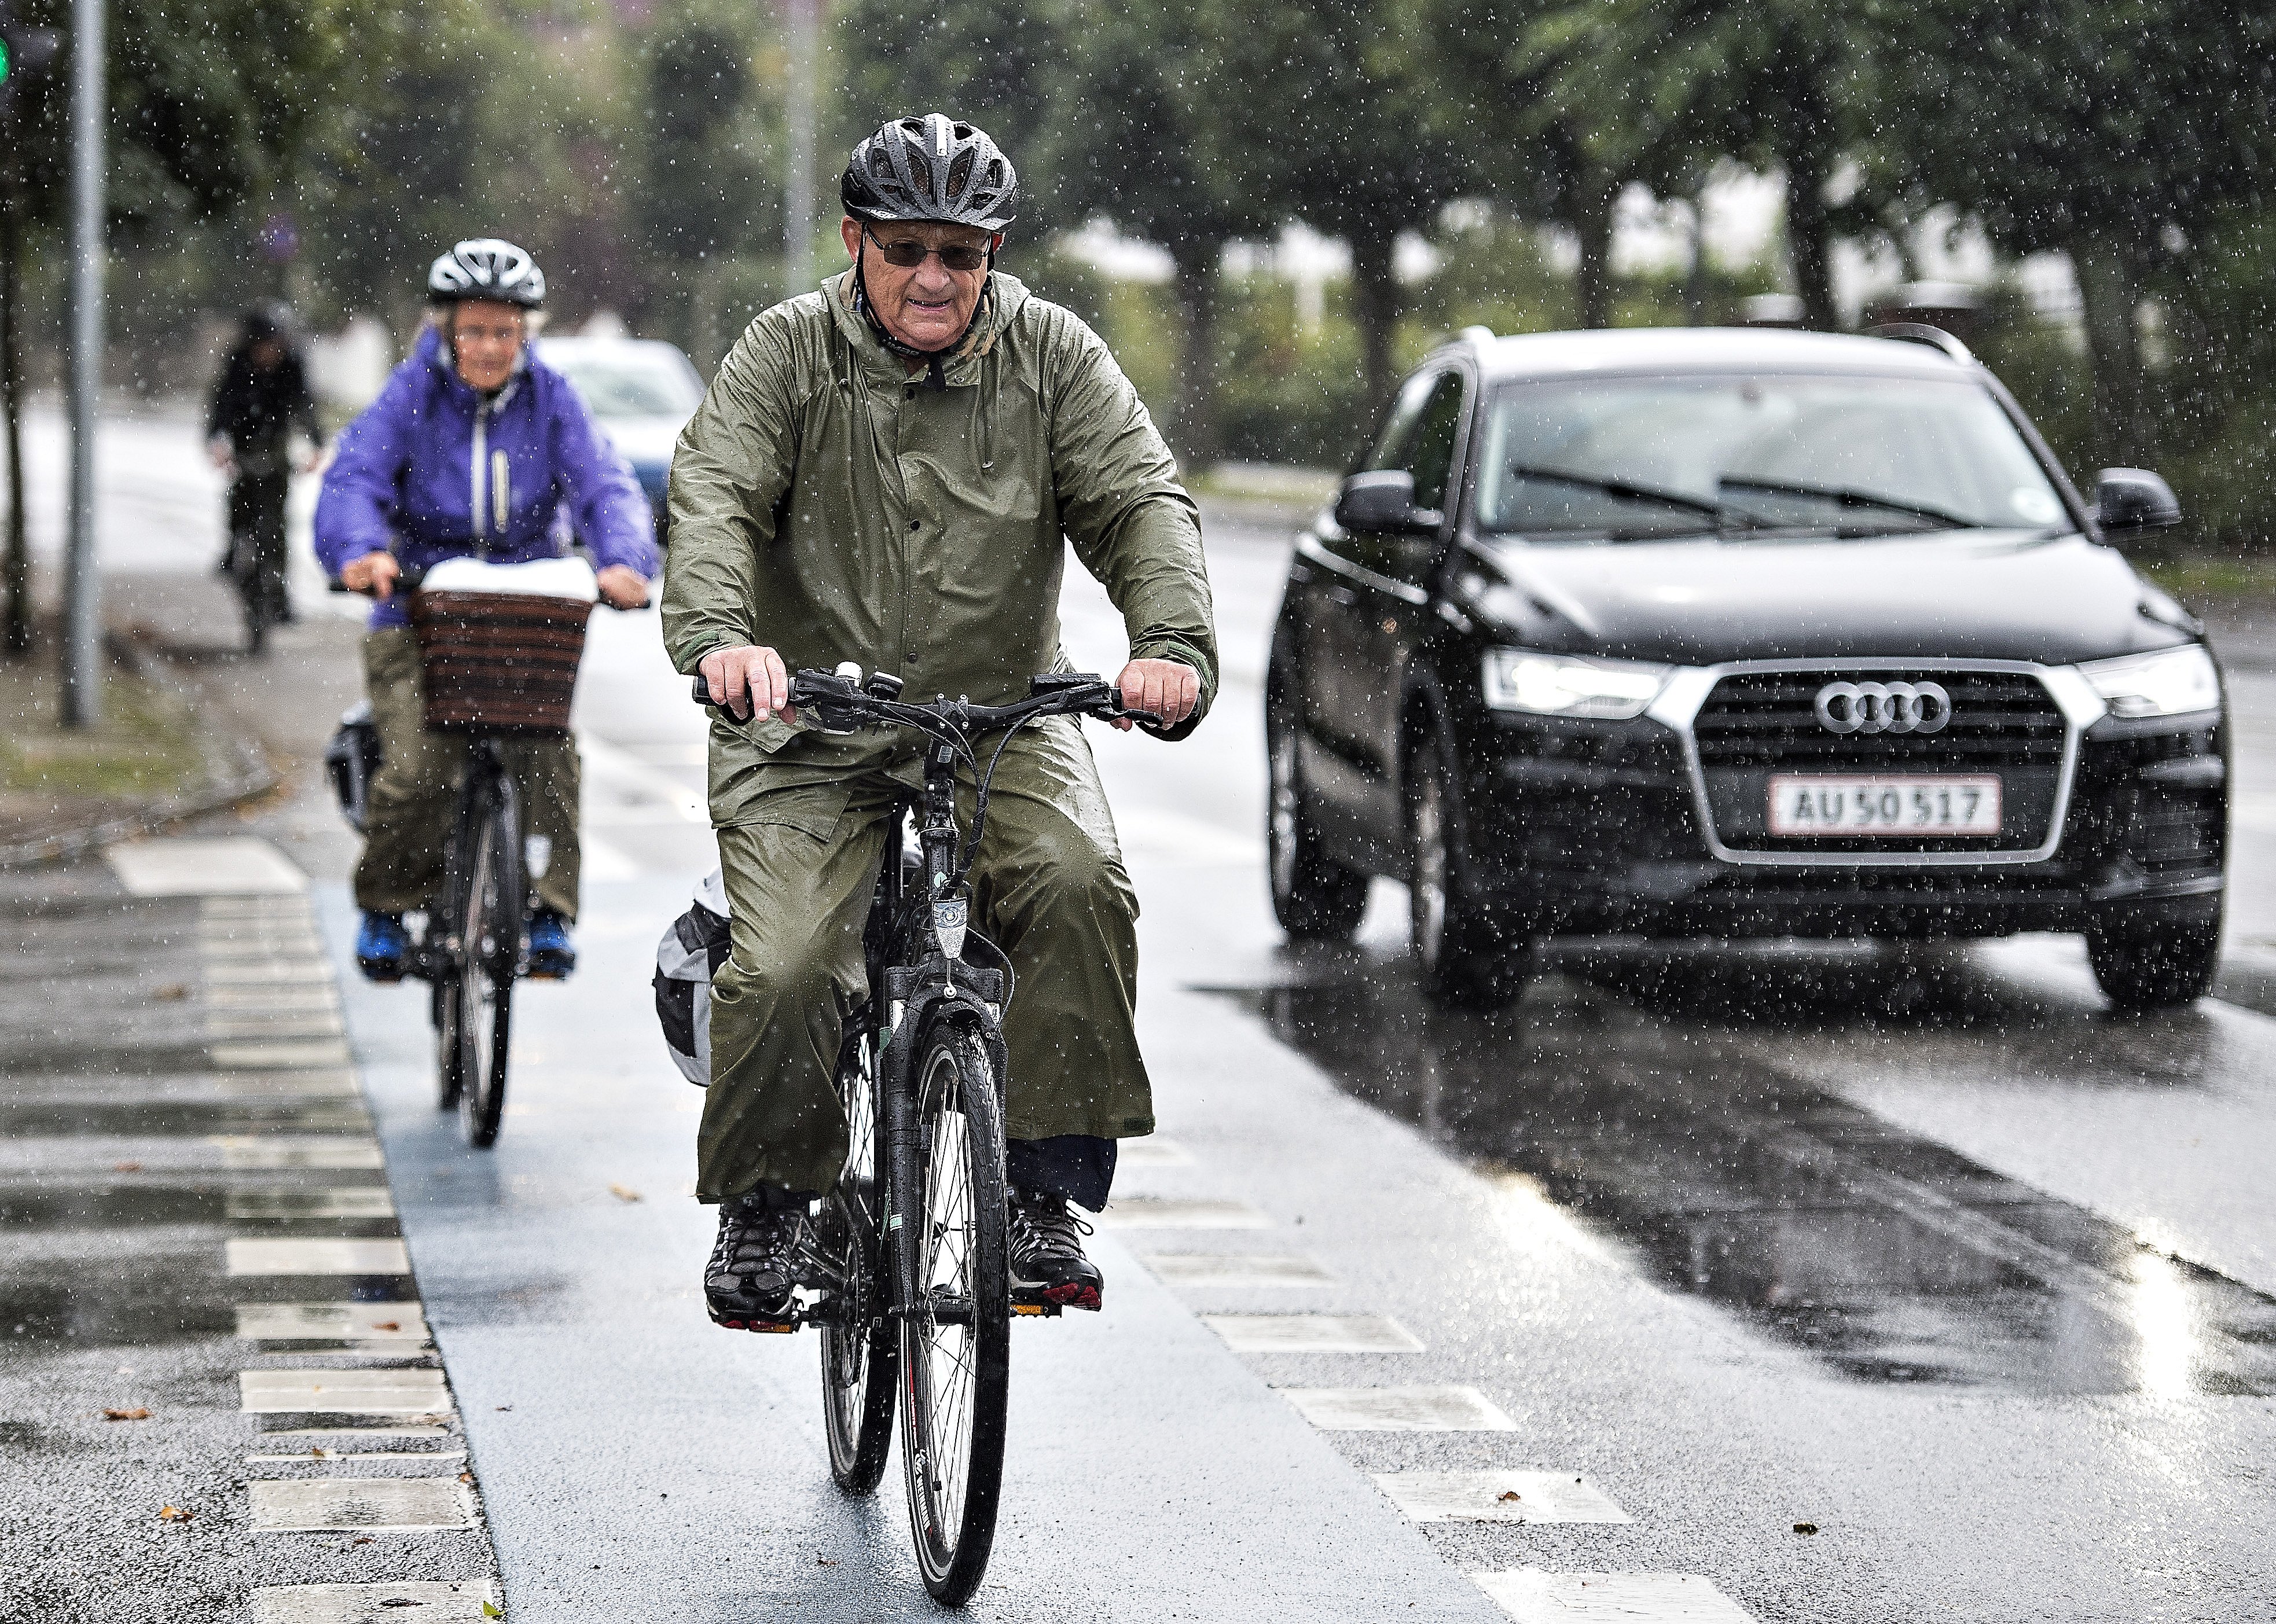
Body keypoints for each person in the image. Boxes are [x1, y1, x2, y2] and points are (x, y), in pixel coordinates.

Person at [663, 115, 1217, 1327]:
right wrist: (722, 644)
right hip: (810, 723)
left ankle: (1040, 1193)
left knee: (1079, 882)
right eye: (905, 246)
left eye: (959, 255)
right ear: (856, 241)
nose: (932, 277)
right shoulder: (786, 352)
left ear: (994, 255)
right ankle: (766, 1205)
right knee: (797, 957)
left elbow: (1139, 499)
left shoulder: (1054, 356)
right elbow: (712, 496)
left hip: (1002, 716)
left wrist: (1167, 647)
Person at [314, 238, 657, 983]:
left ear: (526, 333)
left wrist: (625, 559)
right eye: (474, 330)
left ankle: (546, 911)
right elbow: (354, 478)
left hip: (523, 617)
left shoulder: (553, 398)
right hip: (416, 610)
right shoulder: (410, 394)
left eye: (505, 331)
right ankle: (386, 904)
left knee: (551, 756)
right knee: (417, 767)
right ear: (445, 329)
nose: (490, 346)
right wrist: (360, 551)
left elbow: (605, 484)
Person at [207, 309, 324, 615]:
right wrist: (218, 442)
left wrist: (315, 445)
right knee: (238, 507)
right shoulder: (237, 365)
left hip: (276, 449)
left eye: (276, 345)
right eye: (264, 345)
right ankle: (233, 552)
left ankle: (279, 592)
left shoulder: (292, 366)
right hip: (244, 447)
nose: (270, 352)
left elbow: (305, 405)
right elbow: (220, 406)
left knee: (277, 524)